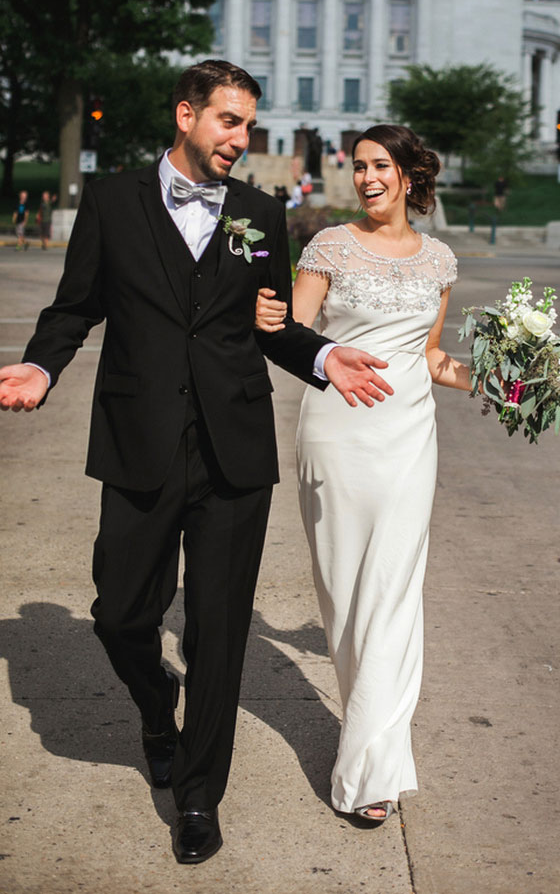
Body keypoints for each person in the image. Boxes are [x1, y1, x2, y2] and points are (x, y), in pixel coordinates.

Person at [0, 60, 393, 865]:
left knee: (218, 634)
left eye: (248, 125)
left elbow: (273, 323)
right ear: (186, 115)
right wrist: (43, 365)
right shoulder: (112, 201)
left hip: (233, 452)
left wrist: (323, 359)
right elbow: (75, 305)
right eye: (229, 122)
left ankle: (198, 795)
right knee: (120, 615)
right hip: (138, 443)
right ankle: (155, 708)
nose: (241, 140)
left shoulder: (261, 211)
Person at [255, 124, 474, 824]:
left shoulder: (439, 259)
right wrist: (265, 314)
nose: (368, 177)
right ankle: (366, 735)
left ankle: (370, 769)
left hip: (410, 441)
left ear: (410, 175)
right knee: (349, 598)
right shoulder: (329, 247)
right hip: (338, 437)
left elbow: (434, 358)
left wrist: (512, 385)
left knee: (393, 596)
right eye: (359, 166)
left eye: (381, 165)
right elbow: (289, 336)